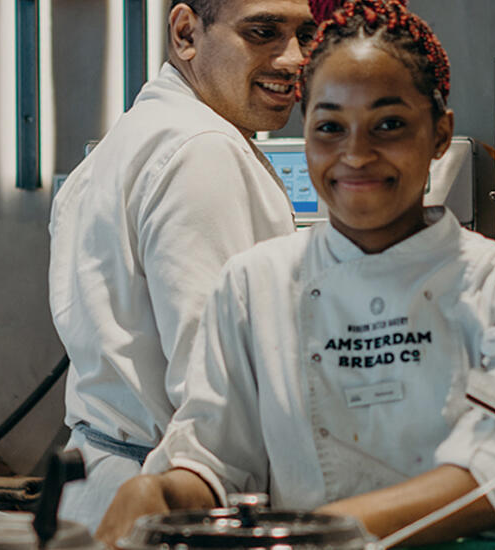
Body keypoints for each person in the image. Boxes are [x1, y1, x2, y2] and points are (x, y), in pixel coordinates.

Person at [94, 0, 495, 547]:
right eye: (330, 126)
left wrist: (323, 534)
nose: (356, 154)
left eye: (389, 124)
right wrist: (162, 495)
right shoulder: (253, 286)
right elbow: (217, 459)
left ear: (440, 134)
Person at [48, 0, 317, 533]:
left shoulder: (129, 139)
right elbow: (216, 390)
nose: (292, 59)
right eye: (263, 32)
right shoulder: (203, 150)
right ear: (186, 33)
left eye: (302, 35)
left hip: (101, 485)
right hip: (171, 499)